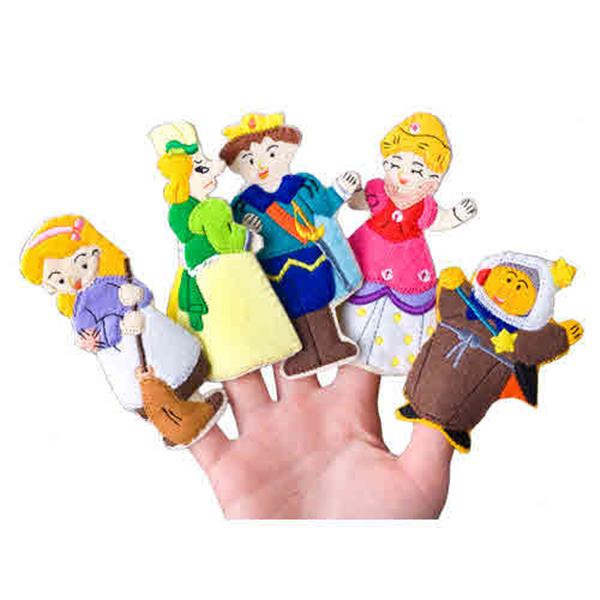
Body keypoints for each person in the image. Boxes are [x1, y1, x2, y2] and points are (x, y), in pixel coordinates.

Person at [20, 215, 226, 446]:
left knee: (174, 371)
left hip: (152, 338)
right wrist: (114, 329)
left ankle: (194, 408)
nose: (74, 280)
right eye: (60, 280)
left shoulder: (114, 279)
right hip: (123, 354)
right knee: (156, 388)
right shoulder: (81, 308)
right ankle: (174, 424)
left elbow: (143, 294)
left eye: (82, 265)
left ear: (94, 253)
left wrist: (135, 294)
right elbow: (91, 334)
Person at [149, 121, 302, 382]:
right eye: (202, 168)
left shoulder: (178, 210)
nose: (216, 171)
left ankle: (228, 363)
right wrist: (249, 237)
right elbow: (225, 242)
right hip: (223, 277)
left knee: (221, 331)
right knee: (243, 318)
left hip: (194, 276)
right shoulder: (212, 209)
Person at [397, 252, 584, 452]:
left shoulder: (519, 338)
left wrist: (561, 336)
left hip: (475, 387)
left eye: (519, 287)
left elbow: (535, 346)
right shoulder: (468, 305)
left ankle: (454, 428)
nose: (507, 289)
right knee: (430, 380)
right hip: (433, 367)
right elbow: (452, 304)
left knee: (466, 394)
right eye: (508, 279)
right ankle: (416, 407)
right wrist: (453, 285)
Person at [221, 112, 361, 378]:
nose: (261, 165)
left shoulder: (301, 187)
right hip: (272, 265)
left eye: (271, 154)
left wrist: (339, 191)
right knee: (290, 306)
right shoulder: (243, 205)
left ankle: (330, 344)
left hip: (309, 256)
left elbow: (323, 207)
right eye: (249, 159)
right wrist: (248, 230)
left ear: (288, 151)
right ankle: (304, 352)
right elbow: (239, 243)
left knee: (317, 300)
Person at [339, 113, 477, 375]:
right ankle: (338, 339)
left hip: (408, 263)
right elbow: (357, 203)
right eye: (396, 163)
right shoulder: (378, 190)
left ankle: (388, 355)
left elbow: (440, 220)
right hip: (367, 252)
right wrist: (352, 191)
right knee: (352, 293)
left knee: (401, 306)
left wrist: (457, 215)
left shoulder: (424, 205)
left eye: (416, 170)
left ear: (434, 177)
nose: (404, 174)